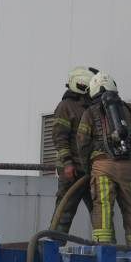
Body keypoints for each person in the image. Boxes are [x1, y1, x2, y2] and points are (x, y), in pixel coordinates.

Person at [74, 72, 131, 246]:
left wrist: (88, 168)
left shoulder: (89, 113)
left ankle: (103, 250)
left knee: (103, 207)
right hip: (129, 167)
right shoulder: (126, 108)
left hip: (102, 168)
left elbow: (81, 142)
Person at [48, 66, 97, 233]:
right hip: (72, 171)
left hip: (91, 170)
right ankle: (53, 247)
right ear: (81, 85)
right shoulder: (65, 107)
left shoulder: (91, 107)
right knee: (64, 213)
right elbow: (59, 138)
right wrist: (68, 163)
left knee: (101, 214)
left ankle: (105, 249)